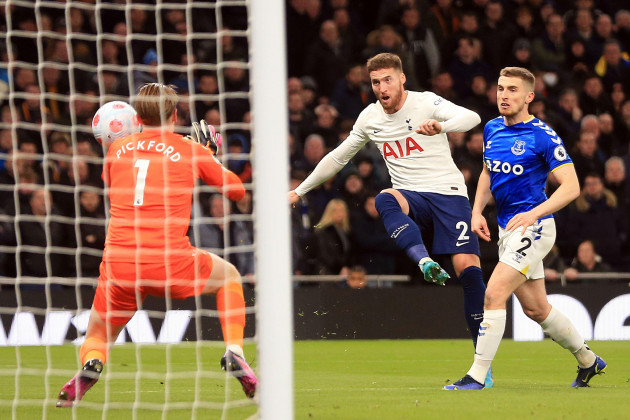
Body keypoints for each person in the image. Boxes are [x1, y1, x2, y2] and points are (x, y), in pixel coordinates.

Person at [288, 53, 491, 386]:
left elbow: (471, 117)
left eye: (387, 80)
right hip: (410, 196)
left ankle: (482, 365)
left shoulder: (426, 103)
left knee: (468, 271)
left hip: (449, 195)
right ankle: (423, 260)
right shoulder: (369, 118)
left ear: (401, 80)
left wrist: (442, 125)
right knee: (384, 197)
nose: (381, 88)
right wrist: (300, 190)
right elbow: (339, 156)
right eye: (375, 82)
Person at [56, 83, 257, 407]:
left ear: (137, 117)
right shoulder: (190, 150)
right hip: (169, 261)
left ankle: (92, 364)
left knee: (97, 334)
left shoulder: (114, 153)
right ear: (175, 115)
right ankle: (234, 350)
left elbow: (137, 173)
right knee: (230, 276)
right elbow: (236, 191)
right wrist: (206, 156)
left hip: (120, 264)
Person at [444, 67, 606, 391]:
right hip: (507, 228)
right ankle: (588, 360)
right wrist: (476, 211)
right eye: (500, 88)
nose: (503, 95)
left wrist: (534, 214)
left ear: (529, 96)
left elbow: (571, 186)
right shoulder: (491, 129)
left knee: (494, 292)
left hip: (536, 228)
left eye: (512, 90)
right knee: (536, 309)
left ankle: (477, 376)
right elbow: (489, 173)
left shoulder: (543, 136)